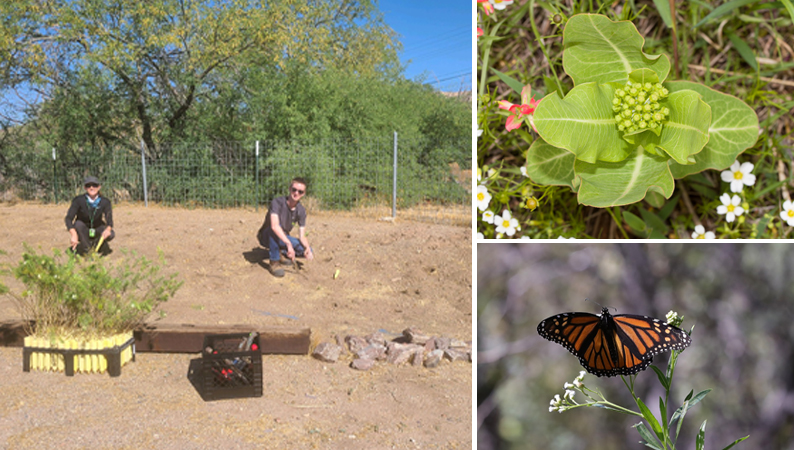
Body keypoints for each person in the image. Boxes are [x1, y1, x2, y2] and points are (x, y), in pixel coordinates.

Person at [258, 177, 314, 277]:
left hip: (283, 238)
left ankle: (281, 253)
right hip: (267, 235)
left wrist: (307, 248)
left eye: (300, 191)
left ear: (303, 194)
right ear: (289, 189)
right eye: (294, 190)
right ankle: (274, 262)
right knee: (275, 228)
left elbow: (302, 235)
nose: (296, 193)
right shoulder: (277, 203)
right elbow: (274, 226)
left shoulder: (301, 211)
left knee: (307, 249)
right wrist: (288, 244)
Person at [65, 176, 115, 256]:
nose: (91, 188)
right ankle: (87, 250)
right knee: (78, 224)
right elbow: (68, 219)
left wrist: (108, 230)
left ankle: (97, 244)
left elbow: (109, 221)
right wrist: (73, 234)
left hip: (97, 228)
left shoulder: (105, 202)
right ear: (85, 188)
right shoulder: (78, 200)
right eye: (88, 186)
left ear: (99, 187)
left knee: (111, 234)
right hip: (83, 230)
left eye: (94, 185)